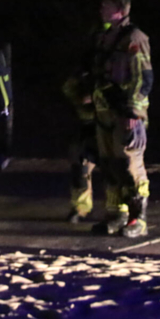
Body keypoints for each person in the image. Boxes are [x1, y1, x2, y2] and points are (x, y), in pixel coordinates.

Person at [88, 0, 154, 238]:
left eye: (106, 5)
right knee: (109, 164)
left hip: (124, 112)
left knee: (130, 164)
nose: (101, 9)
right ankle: (117, 213)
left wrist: (132, 111)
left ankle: (139, 217)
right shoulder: (105, 37)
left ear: (119, 9)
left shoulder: (134, 38)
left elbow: (142, 77)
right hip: (104, 111)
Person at [62, 66, 100, 223]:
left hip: (110, 123)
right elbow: (68, 89)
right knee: (80, 168)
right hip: (86, 125)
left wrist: (97, 98)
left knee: (117, 168)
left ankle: (122, 210)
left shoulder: (116, 66)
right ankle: (81, 208)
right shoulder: (86, 71)